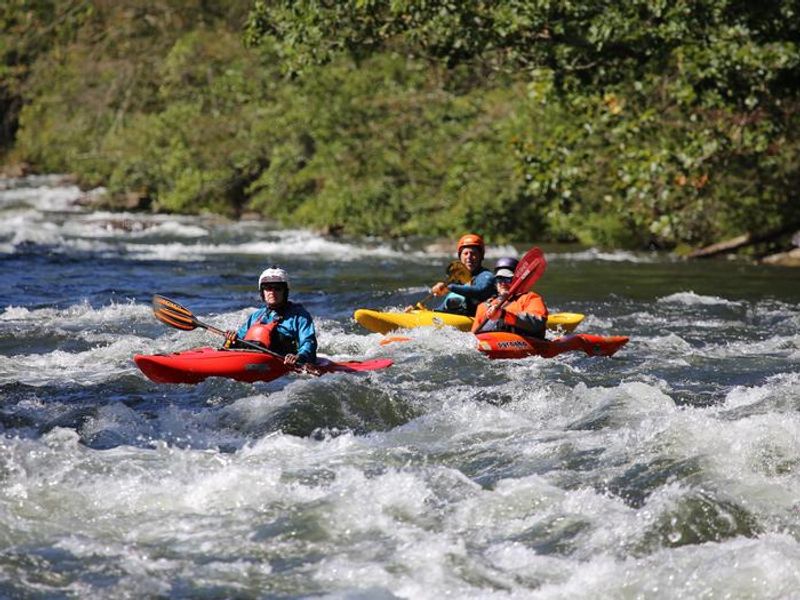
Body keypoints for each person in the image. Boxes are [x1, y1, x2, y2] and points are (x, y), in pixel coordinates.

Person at [223, 266, 318, 367]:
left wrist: (299, 357)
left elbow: (308, 342)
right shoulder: (256, 315)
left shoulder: (300, 316)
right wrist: (231, 339)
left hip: (281, 363)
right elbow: (238, 341)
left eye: (277, 288)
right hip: (251, 361)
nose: (272, 292)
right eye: (268, 288)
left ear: (285, 291)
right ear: (262, 292)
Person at [471, 256, 548, 339]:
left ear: (517, 281)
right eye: (499, 279)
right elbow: (474, 339)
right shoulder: (484, 307)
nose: (503, 283)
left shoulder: (530, 298)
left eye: (507, 279)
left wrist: (503, 315)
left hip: (527, 343)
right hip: (492, 344)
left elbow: (538, 323)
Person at [426, 233, 496, 316]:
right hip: (454, 318)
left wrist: (448, 287)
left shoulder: (486, 276)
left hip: (474, 318)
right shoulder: (458, 278)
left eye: (473, 253)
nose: (469, 257)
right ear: (460, 257)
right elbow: (444, 306)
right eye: (465, 254)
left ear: (481, 256)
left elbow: (480, 291)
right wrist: (430, 312)